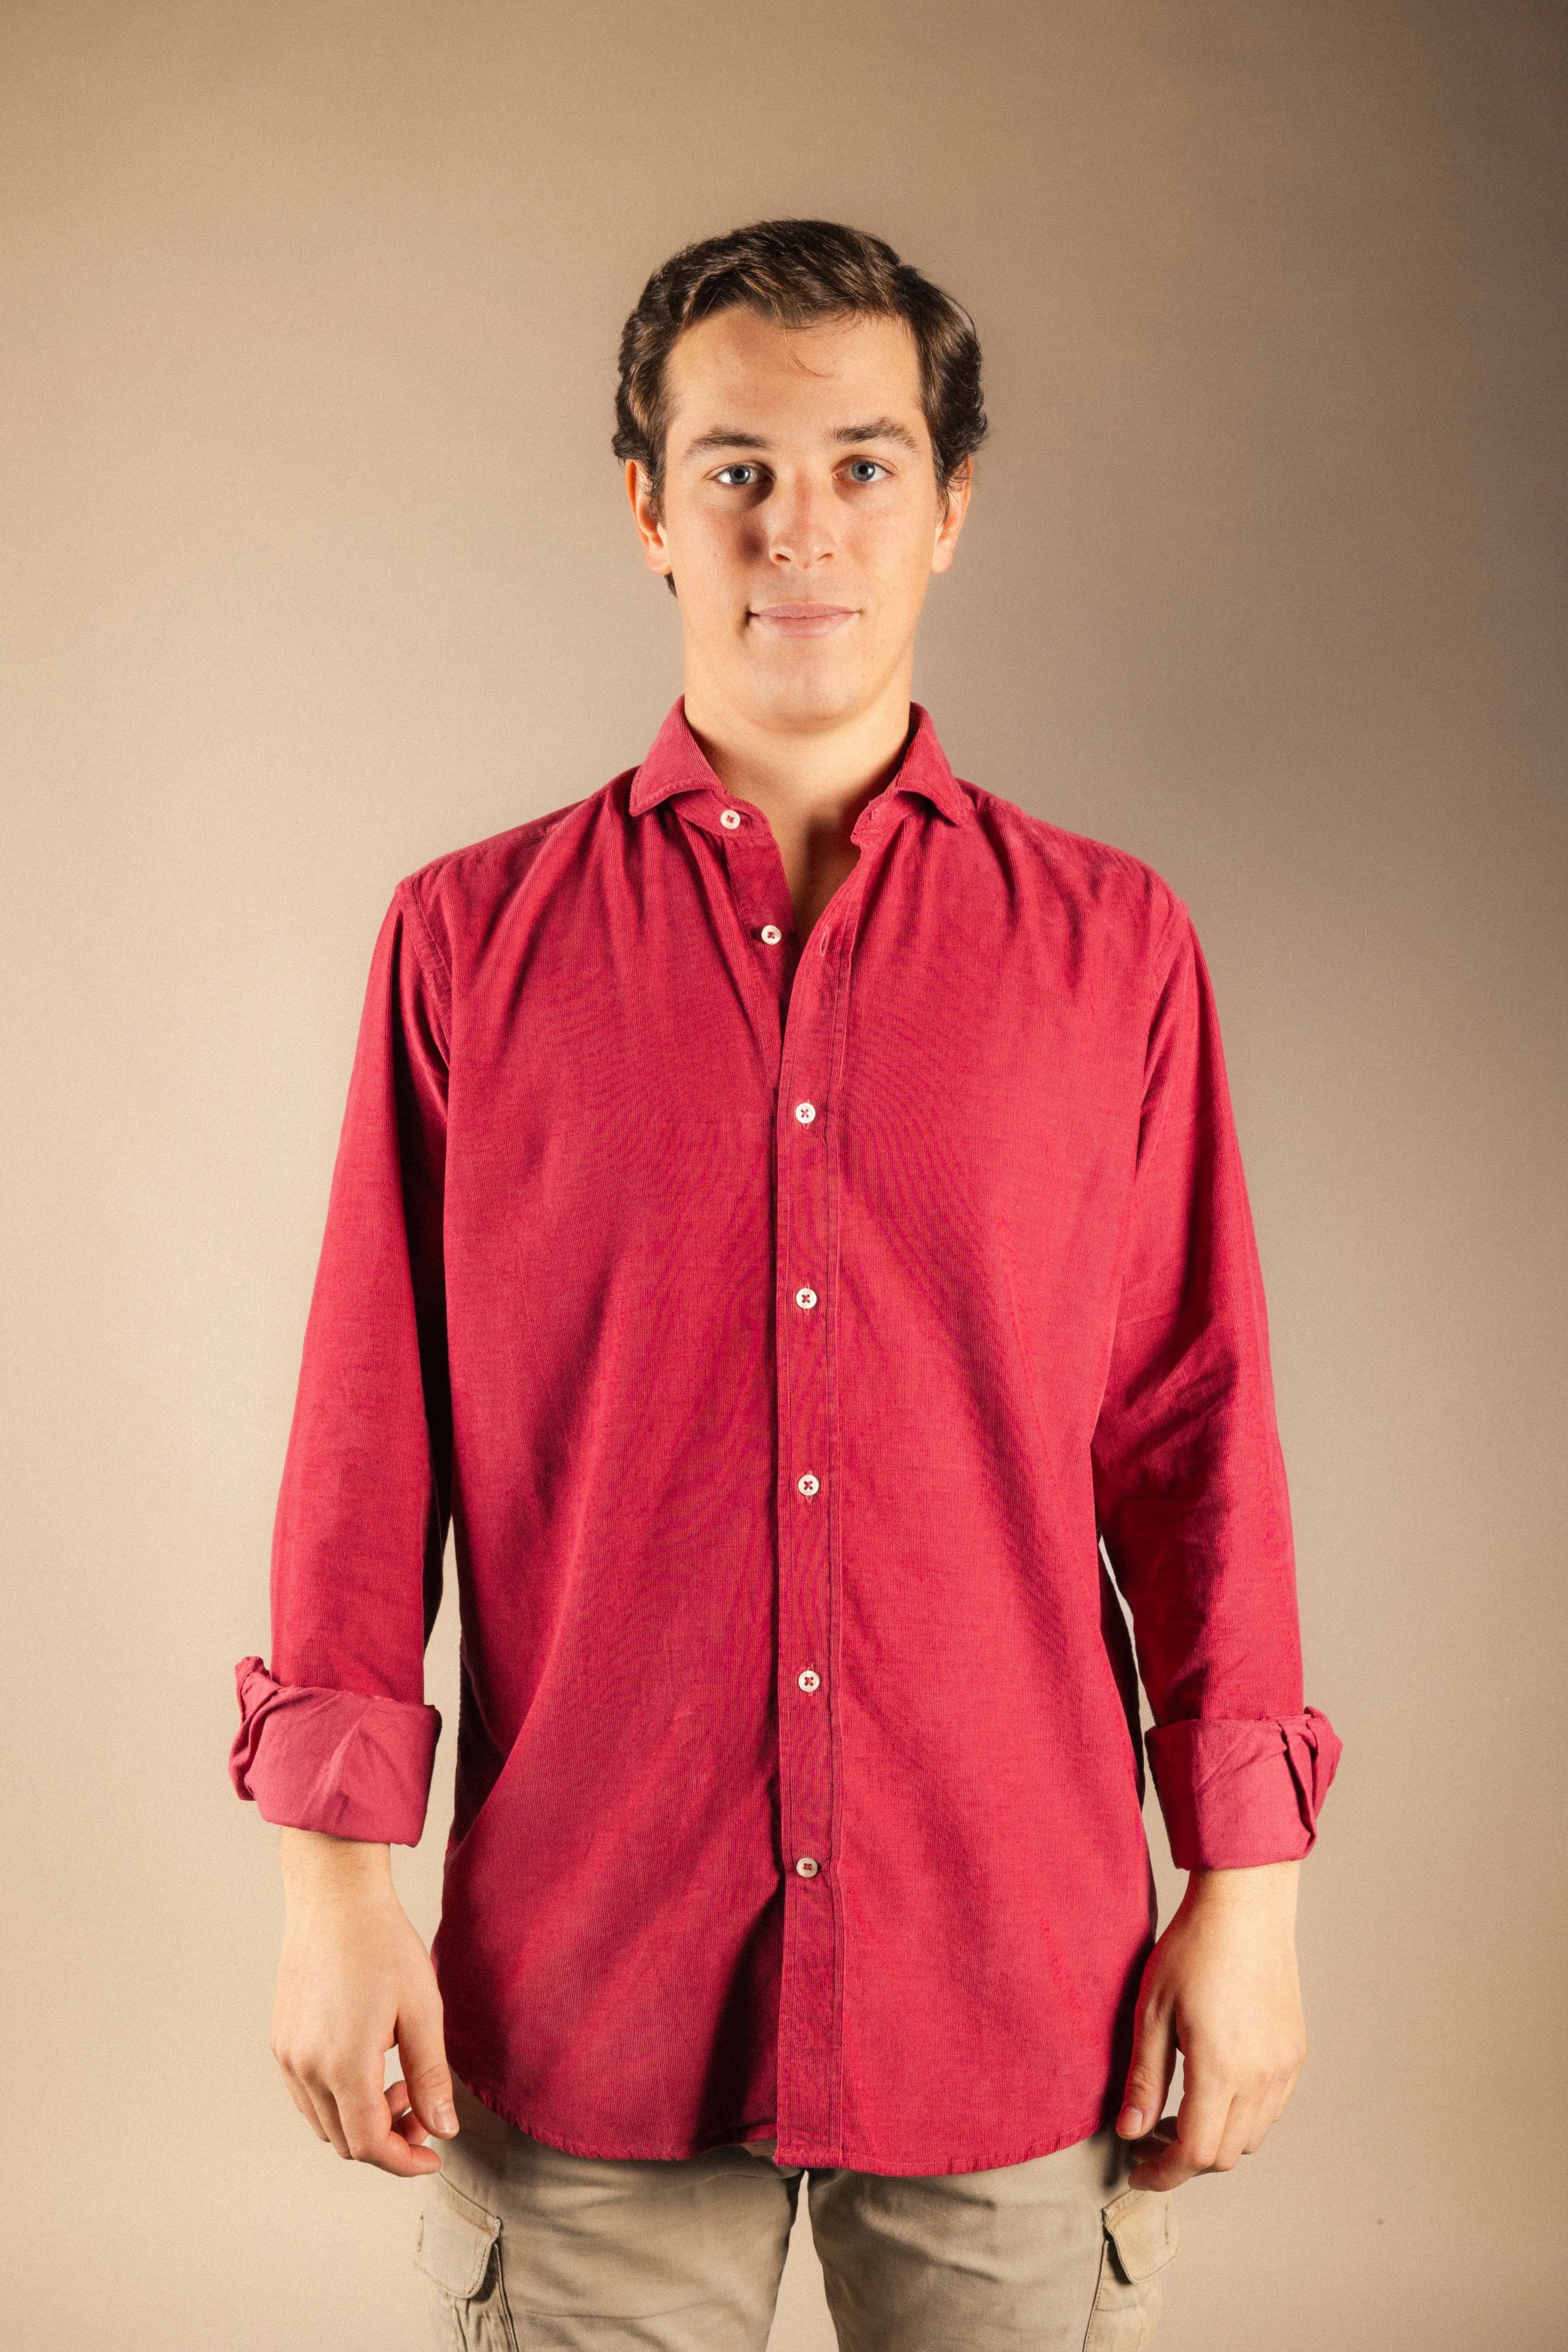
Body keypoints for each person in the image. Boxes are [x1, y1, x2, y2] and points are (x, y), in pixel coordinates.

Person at [230, 217, 1342, 2350]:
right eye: (736, 468)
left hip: (1020, 1989)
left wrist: (1253, 1901)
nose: (800, 529)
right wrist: (332, 1893)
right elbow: (371, 1446)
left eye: (862, 465)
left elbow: (1197, 1448)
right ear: (649, 508)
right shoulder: (468, 945)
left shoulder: (1114, 952)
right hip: (586, 1997)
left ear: (951, 506)